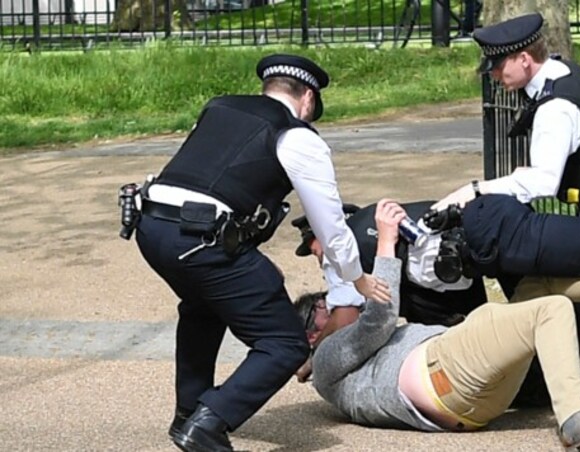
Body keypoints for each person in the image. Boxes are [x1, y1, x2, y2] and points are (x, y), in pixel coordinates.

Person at [293, 122, 580, 406]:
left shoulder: (346, 244)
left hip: (489, 238)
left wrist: (311, 355)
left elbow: (349, 318)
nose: (317, 258)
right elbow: (449, 303)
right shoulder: (375, 235)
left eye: (311, 247)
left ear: (321, 232)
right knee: (554, 309)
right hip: (480, 254)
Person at [130, 53, 390, 452]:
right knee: (284, 343)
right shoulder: (297, 136)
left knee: (202, 306)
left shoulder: (218, 108)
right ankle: (206, 423)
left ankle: (188, 412)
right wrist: (358, 278)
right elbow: (330, 224)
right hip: (201, 238)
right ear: (307, 98)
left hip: (150, 228)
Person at [297, 198, 580, 451]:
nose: (338, 304)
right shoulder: (327, 360)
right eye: (321, 307)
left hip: (475, 406)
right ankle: (574, 417)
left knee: (532, 290)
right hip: (443, 378)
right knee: (550, 310)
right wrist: (386, 241)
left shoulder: (343, 368)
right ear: (313, 333)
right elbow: (380, 319)